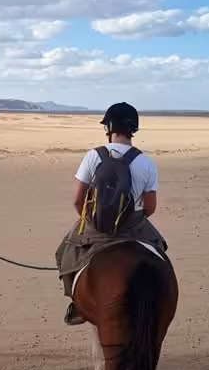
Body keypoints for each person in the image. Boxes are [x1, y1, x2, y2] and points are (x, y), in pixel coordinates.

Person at [55, 102, 168, 325]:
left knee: (65, 251)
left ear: (108, 127)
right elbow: (150, 207)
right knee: (160, 249)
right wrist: (132, 220)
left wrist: (90, 220)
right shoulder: (147, 162)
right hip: (134, 226)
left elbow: (78, 200)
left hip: (96, 225)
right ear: (133, 129)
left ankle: (78, 305)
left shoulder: (93, 156)